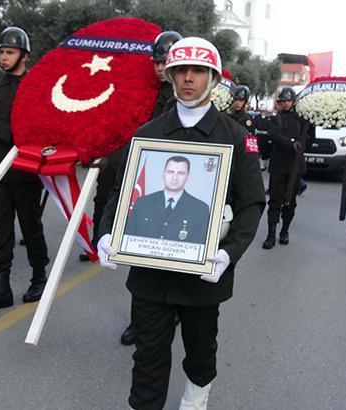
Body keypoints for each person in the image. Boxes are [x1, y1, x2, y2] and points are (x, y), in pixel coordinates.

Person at [96, 36, 265, 410]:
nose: (189, 78)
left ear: (214, 78)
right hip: (150, 275)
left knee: (201, 350)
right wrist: (107, 233)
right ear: (170, 77)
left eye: (198, 71)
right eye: (181, 71)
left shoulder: (237, 139)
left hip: (203, 276)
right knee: (147, 356)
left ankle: (196, 398)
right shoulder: (147, 134)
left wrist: (228, 254)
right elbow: (122, 192)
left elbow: (253, 203)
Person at [111, 30, 182, 347]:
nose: (158, 67)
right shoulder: (145, 93)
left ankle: (173, 312)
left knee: (172, 258)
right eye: (156, 61)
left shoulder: (183, 99)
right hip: (146, 184)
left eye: (164, 61)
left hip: (175, 181)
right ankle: (139, 321)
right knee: (142, 261)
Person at [0, 27, 50, 315]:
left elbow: (43, 123)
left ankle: (39, 276)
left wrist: (24, 137)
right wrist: (14, 134)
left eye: (10, 52)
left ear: (24, 55)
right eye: (2, 52)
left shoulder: (36, 86)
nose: (4, 57)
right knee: (1, 229)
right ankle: (0, 288)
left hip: (26, 169)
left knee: (31, 226)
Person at [262, 86, 314, 249]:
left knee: (290, 202)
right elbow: (274, 135)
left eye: (288, 100)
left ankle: (285, 231)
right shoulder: (275, 118)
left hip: (295, 167)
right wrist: (291, 143)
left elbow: (311, 140)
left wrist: (306, 138)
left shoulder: (303, 119)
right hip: (278, 165)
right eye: (283, 101)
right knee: (275, 201)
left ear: (294, 101)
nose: (285, 104)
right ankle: (271, 234)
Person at [124, 156, 210, 244]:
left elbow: (198, 247)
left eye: (181, 173)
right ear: (163, 173)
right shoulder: (142, 203)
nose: (174, 177)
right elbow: (128, 239)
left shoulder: (200, 209)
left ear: (188, 176)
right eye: (170, 172)